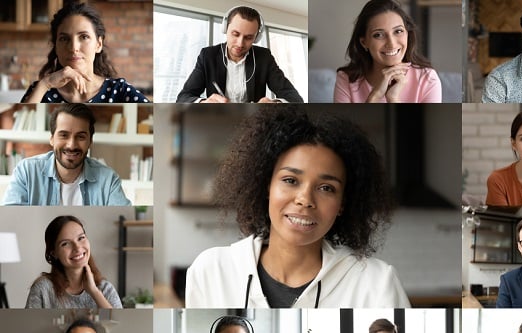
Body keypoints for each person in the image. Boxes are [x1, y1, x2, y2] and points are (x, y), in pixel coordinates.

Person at [185, 106, 409, 308]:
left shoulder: (377, 284)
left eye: (326, 188)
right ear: (266, 186)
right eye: (290, 180)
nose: (305, 199)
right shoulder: (211, 271)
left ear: (343, 203)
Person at [2, 103, 131, 206]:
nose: (71, 145)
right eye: (64, 135)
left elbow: (123, 219)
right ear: (52, 139)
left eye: (80, 137)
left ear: (90, 142)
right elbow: (10, 221)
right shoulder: (26, 171)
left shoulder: (108, 179)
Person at [21, 1, 149, 103]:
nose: (73, 47)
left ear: (98, 44)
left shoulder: (121, 90)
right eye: (64, 38)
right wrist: (46, 84)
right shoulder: (41, 89)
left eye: (84, 37)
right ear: (55, 46)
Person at [176, 6, 303, 103]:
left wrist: (275, 103)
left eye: (248, 37)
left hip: (254, 124)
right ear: (225, 29)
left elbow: (294, 97)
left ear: (256, 37)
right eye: (235, 34)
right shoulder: (207, 56)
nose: (240, 44)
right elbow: (184, 97)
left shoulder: (264, 57)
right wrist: (203, 102)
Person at [334, 0, 441, 103]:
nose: (392, 44)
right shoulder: (346, 79)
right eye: (378, 35)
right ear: (364, 42)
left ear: (407, 34)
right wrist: (375, 96)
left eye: (398, 31)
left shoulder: (427, 79)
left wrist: (393, 99)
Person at [25, 215, 122, 308]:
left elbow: (117, 322)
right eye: (65, 244)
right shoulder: (43, 289)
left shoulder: (106, 289)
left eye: (81, 238)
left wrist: (94, 292)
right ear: (54, 253)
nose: (77, 247)